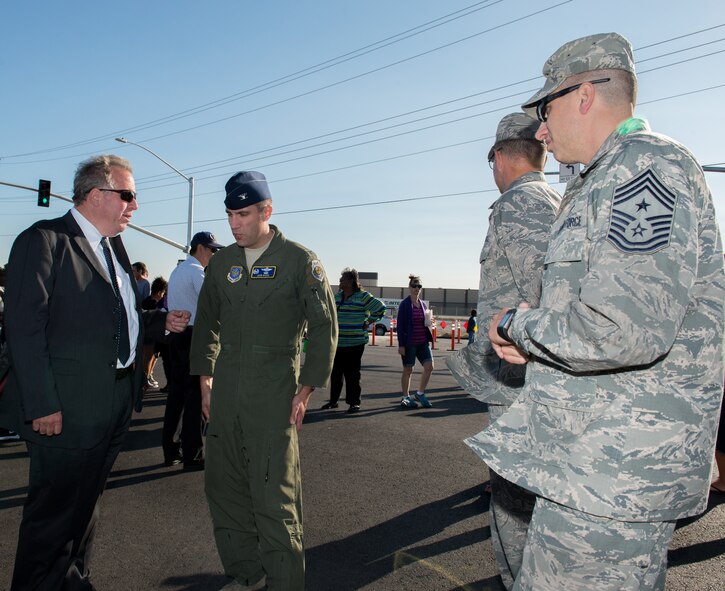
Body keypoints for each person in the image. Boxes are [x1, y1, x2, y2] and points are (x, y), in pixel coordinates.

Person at [467, 33, 725, 590]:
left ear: (584, 95)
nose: (540, 129)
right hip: (591, 461)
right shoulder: (600, 178)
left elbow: (622, 328)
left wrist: (518, 326)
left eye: (545, 108)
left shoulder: (644, 168)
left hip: (616, 469)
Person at [0, 154, 190, 591]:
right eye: (128, 196)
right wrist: (42, 404)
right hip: (65, 410)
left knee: (86, 509)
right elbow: (24, 330)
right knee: (52, 519)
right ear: (95, 195)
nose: (134, 207)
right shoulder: (44, 240)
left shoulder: (113, 246)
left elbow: (118, 316)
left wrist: (160, 323)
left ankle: (74, 581)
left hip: (114, 405)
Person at [190, 170, 337, 591]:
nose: (234, 224)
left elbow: (324, 327)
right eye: (229, 215)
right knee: (224, 492)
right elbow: (206, 328)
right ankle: (246, 575)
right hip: (225, 395)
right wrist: (205, 381)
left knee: (275, 499)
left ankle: (285, 583)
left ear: (266, 211)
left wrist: (306, 390)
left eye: (243, 214)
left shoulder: (298, 261)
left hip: (274, 395)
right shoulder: (222, 264)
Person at [447, 112, 561, 589]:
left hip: (519, 383)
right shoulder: (551, 199)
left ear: (498, 158)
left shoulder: (521, 204)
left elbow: (548, 289)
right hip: (526, 378)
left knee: (515, 505)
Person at [164, 231, 223, 469]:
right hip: (194, 337)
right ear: (200, 248)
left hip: (177, 336)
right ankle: (193, 454)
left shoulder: (178, 270)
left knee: (176, 397)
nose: (214, 254)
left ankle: (171, 450)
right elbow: (214, 303)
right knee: (197, 397)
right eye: (212, 249)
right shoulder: (198, 273)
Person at [320, 267, 386, 414]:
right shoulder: (337, 297)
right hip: (338, 342)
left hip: (355, 343)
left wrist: (369, 321)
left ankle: (354, 403)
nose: (340, 281)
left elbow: (380, 308)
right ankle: (333, 401)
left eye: (342, 279)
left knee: (352, 374)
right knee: (336, 373)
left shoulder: (363, 297)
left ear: (350, 281)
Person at [397, 274, 434, 409]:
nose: (416, 288)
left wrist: (429, 322)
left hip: (423, 342)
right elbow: (400, 326)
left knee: (429, 367)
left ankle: (420, 393)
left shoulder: (423, 304)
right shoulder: (405, 305)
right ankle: (405, 396)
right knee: (408, 370)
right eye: (414, 285)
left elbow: (425, 323)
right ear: (409, 287)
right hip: (409, 343)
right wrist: (401, 345)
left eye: (419, 286)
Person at [141, 276, 168, 391]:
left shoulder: (149, 301)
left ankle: (149, 376)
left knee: (152, 357)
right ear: (158, 292)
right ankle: (145, 379)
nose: (163, 295)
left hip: (151, 335)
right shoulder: (151, 303)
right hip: (149, 336)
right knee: (148, 357)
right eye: (162, 293)